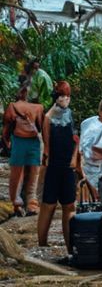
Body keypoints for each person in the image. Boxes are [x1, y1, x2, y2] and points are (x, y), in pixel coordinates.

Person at [38, 81, 78, 251]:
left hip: (68, 165)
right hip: (54, 164)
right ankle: (42, 244)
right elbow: (46, 146)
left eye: (68, 96)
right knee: (49, 204)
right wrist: (44, 168)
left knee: (69, 205)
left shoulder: (70, 115)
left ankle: (71, 246)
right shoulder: (48, 117)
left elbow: (77, 139)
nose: (65, 99)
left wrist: (75, 159)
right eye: (62, 96)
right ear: (56, 97)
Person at [2, 85, 45, 216]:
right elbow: (40, 126)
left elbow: (6, 127)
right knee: (33, 174)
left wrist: (6, 141)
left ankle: (17, 204)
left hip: (19, 141)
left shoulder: (12, 106)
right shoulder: (39, 108)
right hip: (34, 143)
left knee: (16, 175)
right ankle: (32, 204)